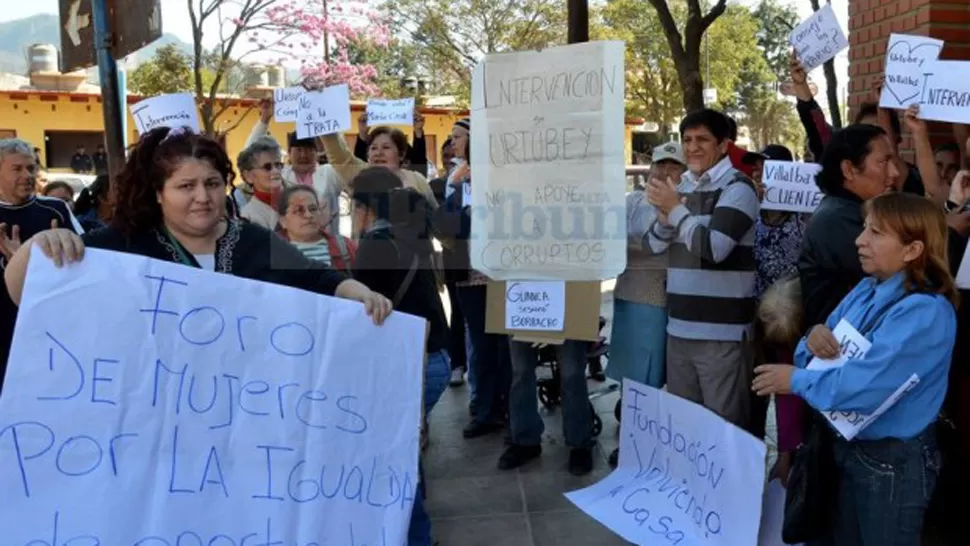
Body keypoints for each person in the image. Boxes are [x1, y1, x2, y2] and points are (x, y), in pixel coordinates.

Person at [3, 127, 391, 330]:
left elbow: (319, 280)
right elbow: (25, 293)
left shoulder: (252, 241)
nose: (202, 197)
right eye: (185, 187)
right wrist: (40, 245)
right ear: (158, 193)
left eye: (211, 184)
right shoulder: (122, 245)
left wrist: (358, 292)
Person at [754, 192, 958, 546]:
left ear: (912, 250)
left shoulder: (926, 312)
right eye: (865, 228)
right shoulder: (866, 288)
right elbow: (814, 348)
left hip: (891, 463)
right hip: (848, 448)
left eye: (876, 233)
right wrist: (813, 337)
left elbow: (866, 386)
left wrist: (797, 380)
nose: (860, 241)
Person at [348, 167, 449, 546]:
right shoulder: (407, 236)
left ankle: (414, 533)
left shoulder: (375, 248)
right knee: (406, 443)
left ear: (362, 208)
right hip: (435, 355)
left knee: (396, 452)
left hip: (416, 364)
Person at [644, 109, 760, 429]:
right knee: (687, 429)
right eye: (687, 140)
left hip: (721, 335)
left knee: (723, 430)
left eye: (702, 140)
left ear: (723, 145)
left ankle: (733, 483)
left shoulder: (739, 188)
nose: (692, 147)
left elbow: (714, 248)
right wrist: (669, 216)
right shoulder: (683, 187)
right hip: (679, 329)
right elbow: (654, 245)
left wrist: (676, 210)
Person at [607, 141, 686, 466]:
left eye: (673, 167)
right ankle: (634, 441)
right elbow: (613, 242)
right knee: (632, 377)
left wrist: (638, 245)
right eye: (659, 165)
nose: (664, 172)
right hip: (628, 296)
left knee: (652, 379)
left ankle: (646, 444)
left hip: (659, 301)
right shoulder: (632, 201)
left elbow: (652, 245)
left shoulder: (687, 204)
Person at [436, 117, 510, 438]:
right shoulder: (455, 181)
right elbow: (449, 227)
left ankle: (505, 406)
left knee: (504, 347)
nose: (455, 143)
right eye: (452, 139)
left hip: (501, 275)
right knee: (480, 346)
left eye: (460, 137)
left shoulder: (502, 177)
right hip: (469, 276)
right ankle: (485, 410)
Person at [0, 138, 83, 393]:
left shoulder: (56, 209)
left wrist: (31, 265)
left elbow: (84, 262)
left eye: (31, 168)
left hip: (50, 330)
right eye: (17, 169)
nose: (27, 175)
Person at [799, 124, 899, 330]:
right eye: (883, 162)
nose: (894, 172)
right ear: (849, 169)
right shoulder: (837, 219)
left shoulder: (845, 211)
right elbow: (896, 273)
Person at [244, 99, 343, 236]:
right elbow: (249, 154)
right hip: (291, 248)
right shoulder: (281, 175)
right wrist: (264, 120)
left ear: (317, 152)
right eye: (298, 149)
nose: (303, 155)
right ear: (289, 153)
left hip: (327, 249)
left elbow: (343, 158)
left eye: (308, 149)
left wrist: (325, 114)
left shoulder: (329, 173)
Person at [277, 185, 356, 273]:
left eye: (313, 209)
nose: (308, 215)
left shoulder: (345, 247)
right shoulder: (270, 250)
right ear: (283, 221)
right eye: (299, 210)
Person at [353, 112, 431, 178]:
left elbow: (419, 165)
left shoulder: (414, 182)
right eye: (374, 148)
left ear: (402, 156)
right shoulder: (362, 183)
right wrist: (362, 133)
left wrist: (418, 132)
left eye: (386, 147)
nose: (378, 153)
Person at [237, 137, 285, 229]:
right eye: (267, 167)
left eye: (278, 165)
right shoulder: (248, 217)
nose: (275, 171)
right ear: (249, 176)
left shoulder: (298, 199)